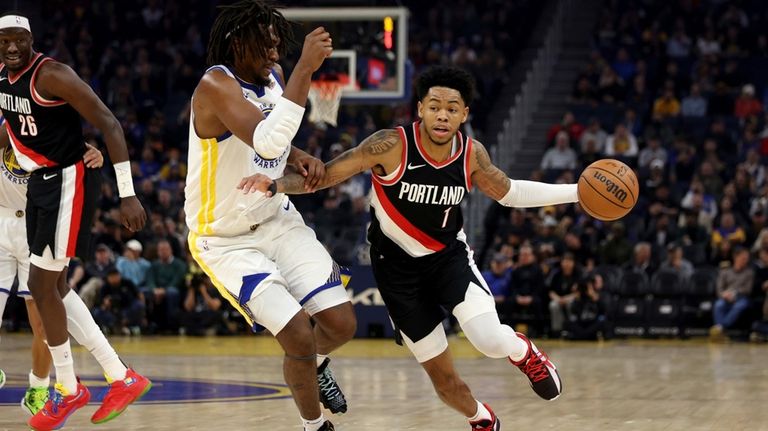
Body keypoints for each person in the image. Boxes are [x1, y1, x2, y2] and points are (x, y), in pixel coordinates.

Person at [244, 66, 574, 430]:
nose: (442, 114)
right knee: (444, 383)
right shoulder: (390, 144)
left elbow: (510, 192)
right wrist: (276, 185)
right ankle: (482, 418)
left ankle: (524, 352)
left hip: (448, 260)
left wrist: (577, 193)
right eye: (434, 106)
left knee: (489, 339)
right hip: (397, 272)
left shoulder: (470, 155)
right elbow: (327, 176)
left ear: (464, 114)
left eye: (452, 108)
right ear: (420, 108)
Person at [184, 2, 355, 430]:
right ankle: (314, 426)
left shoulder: (273, 79)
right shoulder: (215, 85)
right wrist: (305, 70)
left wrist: (298, 156)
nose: (276, 53)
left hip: (276, 217)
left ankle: (312, 367)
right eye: (267, 44)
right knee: (297, 333)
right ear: (238, 42)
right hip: (224, 239)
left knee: (341, 323)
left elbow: (272, 134)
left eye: (279, 44)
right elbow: (264, 140)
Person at [0, 15, 151, 430]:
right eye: (4, 41)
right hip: (40, 184)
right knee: (53, 287)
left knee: (42, 286)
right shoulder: (2, 79)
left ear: (32, 40)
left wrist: (128, 193)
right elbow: (14, 128)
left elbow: (109, 122)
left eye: (20, 40)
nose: (12, 48)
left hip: (68, 180)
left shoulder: (52, 75)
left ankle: (69, 387)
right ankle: (118, 377)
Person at [0, 117, 104, 416]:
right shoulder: (10, 116)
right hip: (2, 217)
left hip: (37, 221)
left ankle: (39, 387)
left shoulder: (45, 123)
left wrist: (94, 154)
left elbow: (74, 151)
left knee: (43, 317)